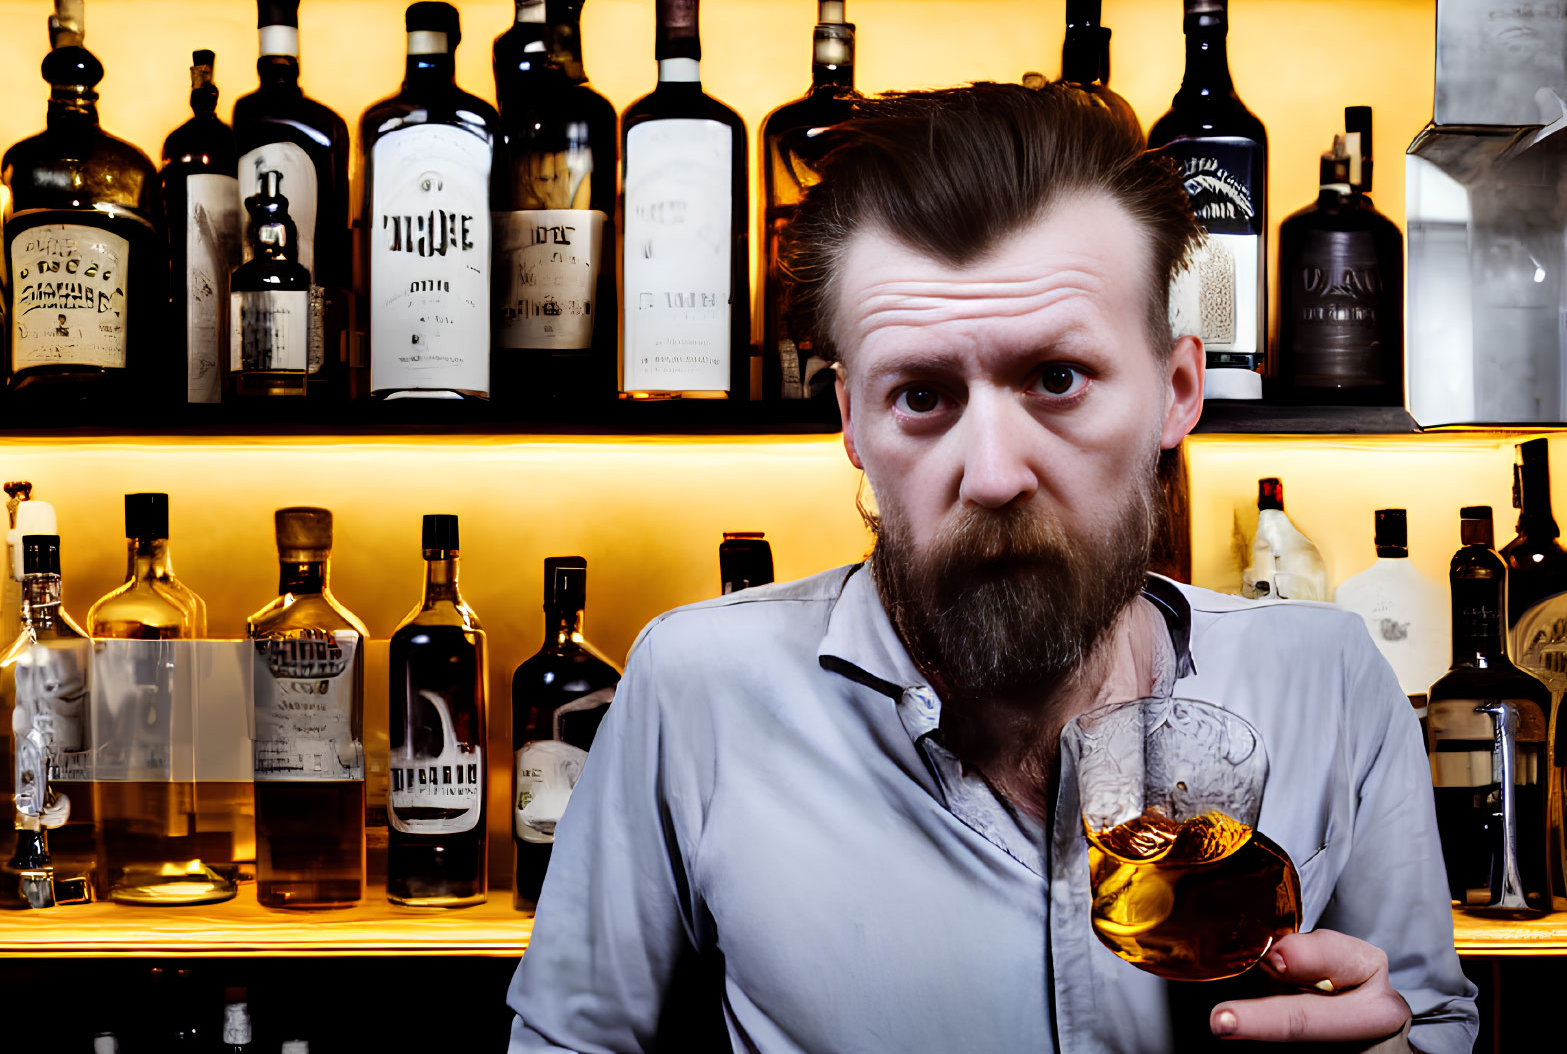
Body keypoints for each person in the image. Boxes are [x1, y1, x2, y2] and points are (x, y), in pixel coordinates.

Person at [506, 84, 1476, 1053]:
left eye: (1055, 378)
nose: (993, 472)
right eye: (921, 394)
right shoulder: (694, 693)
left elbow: (1429, 1021)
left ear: (1176, 392)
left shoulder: (1330, 684)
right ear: (848, 421)